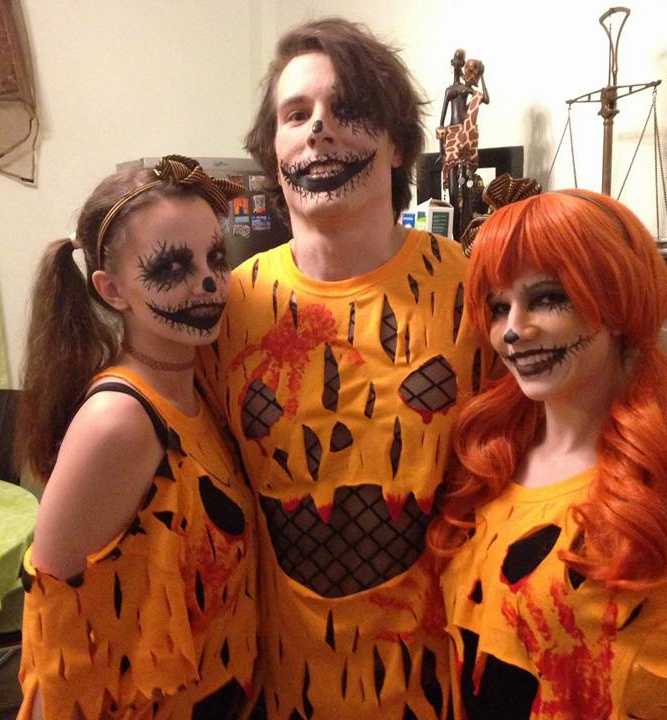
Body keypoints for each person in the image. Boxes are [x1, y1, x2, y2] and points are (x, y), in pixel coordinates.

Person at [430, 189, 667, 719]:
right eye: (500, 307)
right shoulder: (488, 463)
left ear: (615, 304)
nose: (515, 330)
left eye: (548, 298)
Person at [200, 18, 488, 720]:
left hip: (439, 692)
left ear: (397, 145)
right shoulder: (228, 308)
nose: (319, 128)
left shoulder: (479, 292)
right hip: (275, 692)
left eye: (347, 109)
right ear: (273, 153)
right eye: (296, 114)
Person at [13, 156, 257, 719]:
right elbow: (56, 636)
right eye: (171, 266)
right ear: (112, 290)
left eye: (216, 257)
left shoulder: (199, 392)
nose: (208, 281)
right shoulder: (118, 422)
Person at [436, 50, 489, 238]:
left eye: (462, 64)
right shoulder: (450, 90)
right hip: (452, 136)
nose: (459, 67)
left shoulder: (467, 89)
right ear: (454, 66)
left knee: (467, 186)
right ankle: (454, 234)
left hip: (465, 133)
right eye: (457, 64)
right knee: (452, 191)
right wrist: (441, 150)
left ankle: (465, 233)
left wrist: (483, 77)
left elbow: (485, 99)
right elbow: (442, 120)